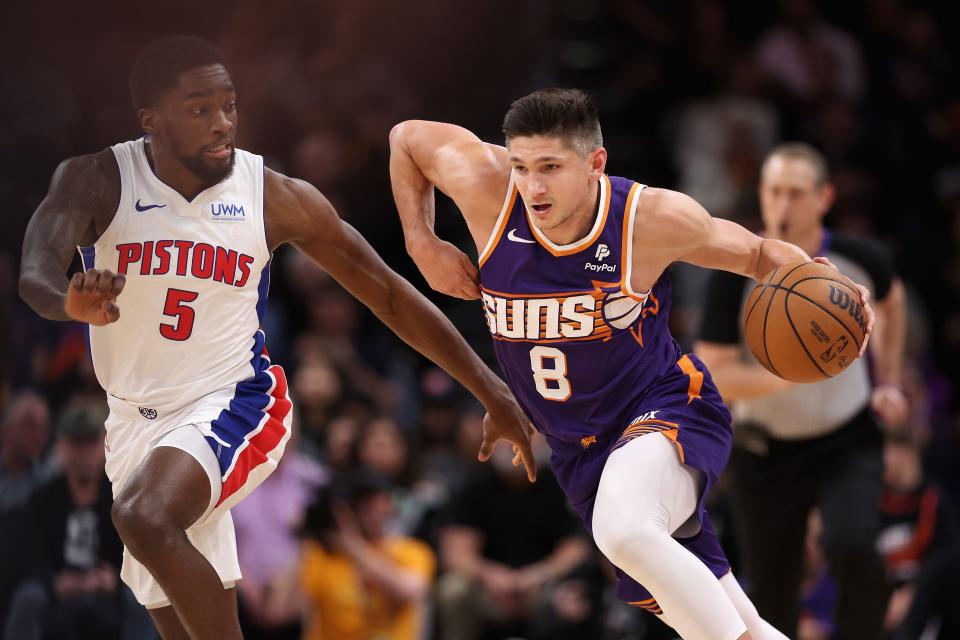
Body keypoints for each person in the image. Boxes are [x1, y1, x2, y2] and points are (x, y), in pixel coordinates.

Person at [17, 35, 535, 640]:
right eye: (199, 109)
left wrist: (492, 389)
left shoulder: (271, 195)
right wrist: (66, 301)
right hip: (134, 419)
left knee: (143, 516)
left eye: (229, 105)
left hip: (236, 401)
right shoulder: (97, 180)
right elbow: (35, 271)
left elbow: (389, 293)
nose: (222, 123)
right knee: (176, 617)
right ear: (149, 121)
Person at [389, 88, 875, 640]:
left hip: (666, 410)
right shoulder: (485, 187)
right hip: (581, 454)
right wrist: (420, 239)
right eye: (522, 166)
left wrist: (829, 285)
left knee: (620, 531)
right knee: (729, 620)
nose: (533, 186)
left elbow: (761, 254)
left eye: (551, 167)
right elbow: (406, 137)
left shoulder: (651, 220)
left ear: (596, 163)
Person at [694, 142, 908, 639]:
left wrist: (889, 379)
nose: (782, 206)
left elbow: (892, 302)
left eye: (795, 193)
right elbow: (717, 375)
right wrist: (791, 372)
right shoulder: (733, 273)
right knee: (771, 590)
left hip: (846, 435)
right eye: (773, 192)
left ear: (824, 197)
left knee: (854, 544)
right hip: (765, 450)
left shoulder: (861, 257)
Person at [4, 403, 155, 640]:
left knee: (140, 597)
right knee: (28, 596)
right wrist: (54, 581)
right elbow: (29, 556)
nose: (83, 452)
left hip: (107, 590)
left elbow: (138, 554)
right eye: (76, 443)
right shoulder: (42, 499)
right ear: (62, 446)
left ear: (104, 444)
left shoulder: (121, 498)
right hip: (56, 589)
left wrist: (114, 578)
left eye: (90, 442)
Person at [434, 435, 595, 640]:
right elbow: (455, 552)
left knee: (575, 595)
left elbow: (576, 548)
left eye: (527, 435)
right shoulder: (475, 486)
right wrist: (491, 575)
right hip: (490, 589)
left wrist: (540, 574)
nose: (515, 446)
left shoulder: (559, 484)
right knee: (452, 590)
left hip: (543, 586)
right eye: (507, 438)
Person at [299, 470, 435, 640]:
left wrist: (352, 545)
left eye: (379, 500)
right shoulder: (321, 554)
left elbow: (410, 591)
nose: (373, 509)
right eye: (363, 502)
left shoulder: (412, 550)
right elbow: (276, 613)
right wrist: (302, 538)